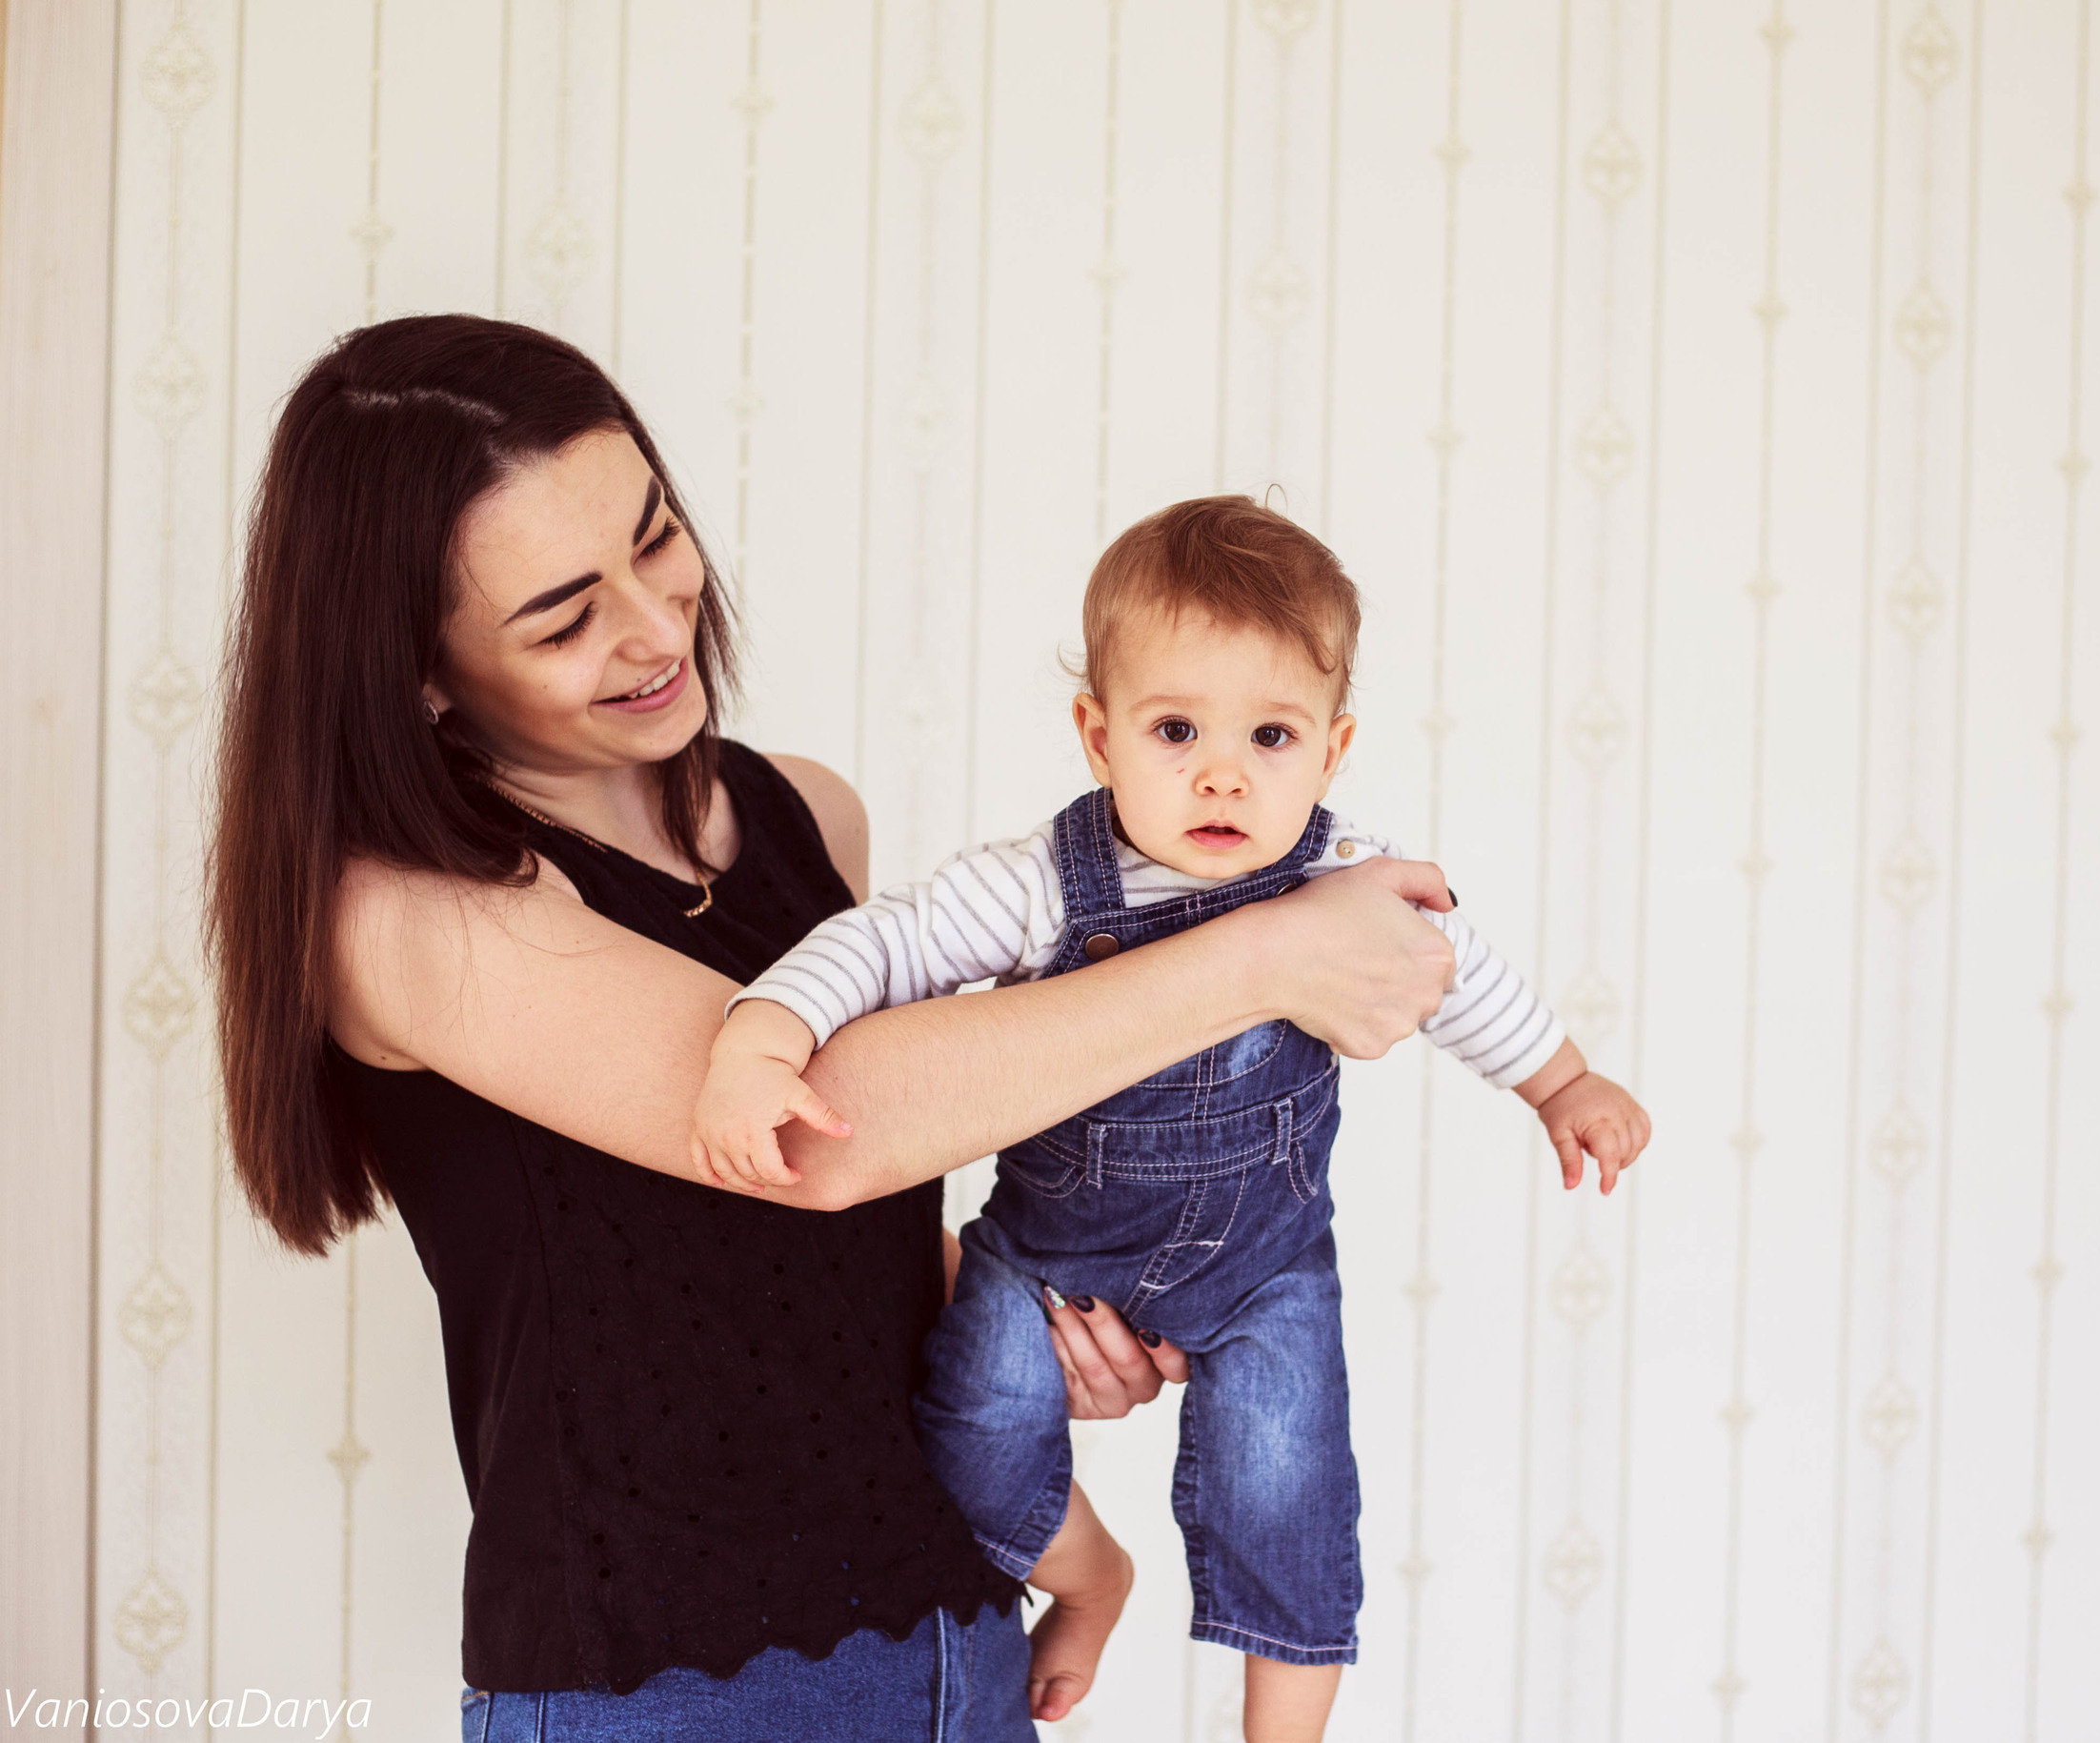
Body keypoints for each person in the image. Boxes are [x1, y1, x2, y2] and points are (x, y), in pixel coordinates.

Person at [205, 316, 1463, 1742]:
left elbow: (840, 1264)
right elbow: (814, 1140)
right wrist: (1272, 948)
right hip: (664, 1694)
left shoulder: (808, 817)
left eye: (656, 537)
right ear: (415, 671)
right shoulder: (402, 916)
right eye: (562, 616)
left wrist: (1070, 1499)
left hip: (957, 1636)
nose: (654, 623)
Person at [694, 496, 1655, 1743]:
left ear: (1333, 745)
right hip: (1047, 1259)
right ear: (1098, 737)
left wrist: (1563, 1082)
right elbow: (883, 943)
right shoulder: (1044, 882)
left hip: (1264, 1270)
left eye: (1271, 734)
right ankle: (1089, 1578)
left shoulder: (1349, 878)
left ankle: (1283, 1733)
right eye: (1175, 729)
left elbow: (1461, 974)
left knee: (1288, 1488)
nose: (1222, 772)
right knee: (969, 1430)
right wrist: (762, 1037)